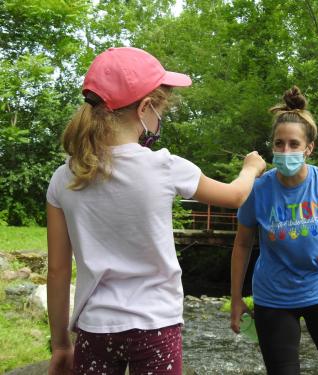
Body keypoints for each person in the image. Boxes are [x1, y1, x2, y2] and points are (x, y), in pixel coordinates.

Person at [46, 46, 266, 375]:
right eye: (159, 109)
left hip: (95, 328)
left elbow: (58, 272)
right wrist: (251, 168)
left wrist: (62, 345)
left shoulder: (65, 176)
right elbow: (235, 195)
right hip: (156, 327)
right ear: (146, 107)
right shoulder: (165, 166)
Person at [230, 86, 318, 375]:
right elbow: (241, 245)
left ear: (308, 148)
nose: (285, 151)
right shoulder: (257, 189)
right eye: (279, 144)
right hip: (273, 297)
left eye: (293, 144)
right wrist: (236, 299)